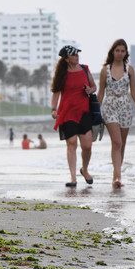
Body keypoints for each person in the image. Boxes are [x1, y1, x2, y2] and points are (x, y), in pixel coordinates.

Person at [97, 39, 135, 188]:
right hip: (110, 106)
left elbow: (134, 91)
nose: (119, 53)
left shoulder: (129, 69)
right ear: (113, 51)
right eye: (117, 50)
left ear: (126, 53)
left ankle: (117, 175)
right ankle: (117, 176)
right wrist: (95, 112)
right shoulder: (105, 70)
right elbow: (100, 93)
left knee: (122, 144)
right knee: (116, 142)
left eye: (122, 51)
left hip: (125, 107)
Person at [51, 44, 96, 187]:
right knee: (72, 144)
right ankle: (73, 178)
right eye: (74, 54)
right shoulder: (61, 74)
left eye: (77, 54)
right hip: (67, 112)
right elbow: (56, 92)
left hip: (84, 112)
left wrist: (90, 90)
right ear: (66, 59)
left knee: (87, 145)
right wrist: (53, 109)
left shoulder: (85, 69)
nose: (77, 56)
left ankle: (85, 169)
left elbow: (94, 86)